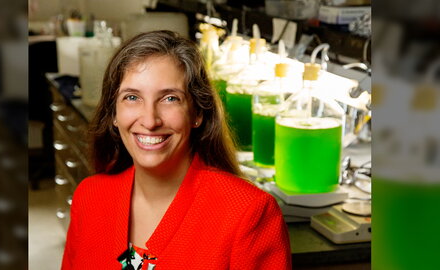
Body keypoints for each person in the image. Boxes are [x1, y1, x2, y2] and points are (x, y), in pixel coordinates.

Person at [61, 30, 291, 270]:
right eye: (131, 97)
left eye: (170, 98)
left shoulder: (248, 213)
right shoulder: (89, 196)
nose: (150, 120)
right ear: (114, 115)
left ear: (197, 113)